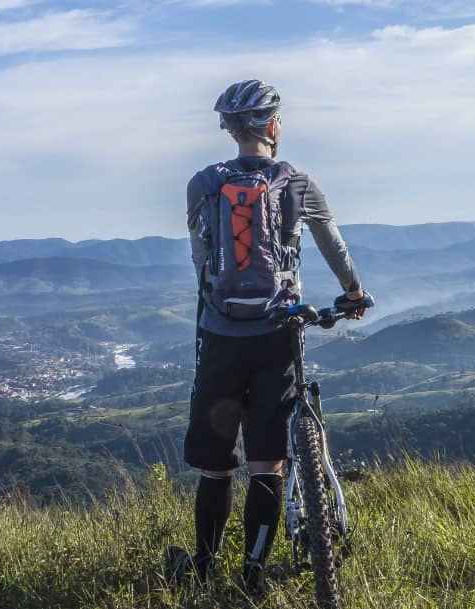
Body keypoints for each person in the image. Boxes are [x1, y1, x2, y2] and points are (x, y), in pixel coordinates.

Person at [166, 79, 370, 593]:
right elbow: (333, 246)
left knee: (215, 469)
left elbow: (200, 261)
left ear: (230, 129)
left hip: (219, 337)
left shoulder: (201, 184)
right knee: (267, 464)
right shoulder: (297, 182)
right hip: (278, 334)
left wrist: (218, 309)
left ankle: (204, 569)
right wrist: (353, 293)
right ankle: (253, 576)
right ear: (273, 126)